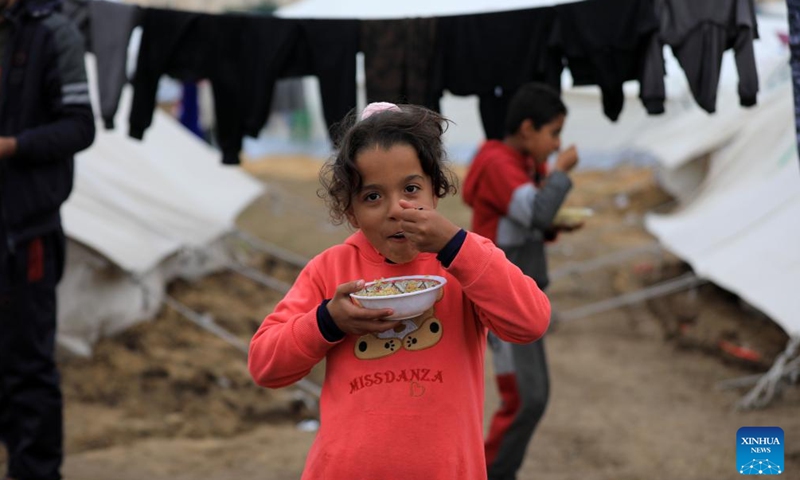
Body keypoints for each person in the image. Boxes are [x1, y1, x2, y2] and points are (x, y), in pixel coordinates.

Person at [248, 102, 552, 480]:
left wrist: (456, 247)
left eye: (411, 188)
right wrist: (328, 320)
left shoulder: (465, 260)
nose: (397, 209)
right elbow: (264, 364)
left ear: (435, 191)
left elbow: (531, 321)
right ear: (350, 211)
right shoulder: (330, 271)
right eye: (372, 196)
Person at [462, 82, 580, 480]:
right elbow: (538, 213)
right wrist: (560, 175)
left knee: (537, 396)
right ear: (528, 129)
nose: (557, 143)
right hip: (501, 302)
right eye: (554, 133)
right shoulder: (498, 163)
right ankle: (487, 473)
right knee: (522, 400)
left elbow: (531, 219)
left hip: (524, 299)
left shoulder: (524, 162)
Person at [0, 0, 95, 478]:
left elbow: (81, 126)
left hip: (26, 229)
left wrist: (12, 145)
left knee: (26, 366)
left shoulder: (52, 31)